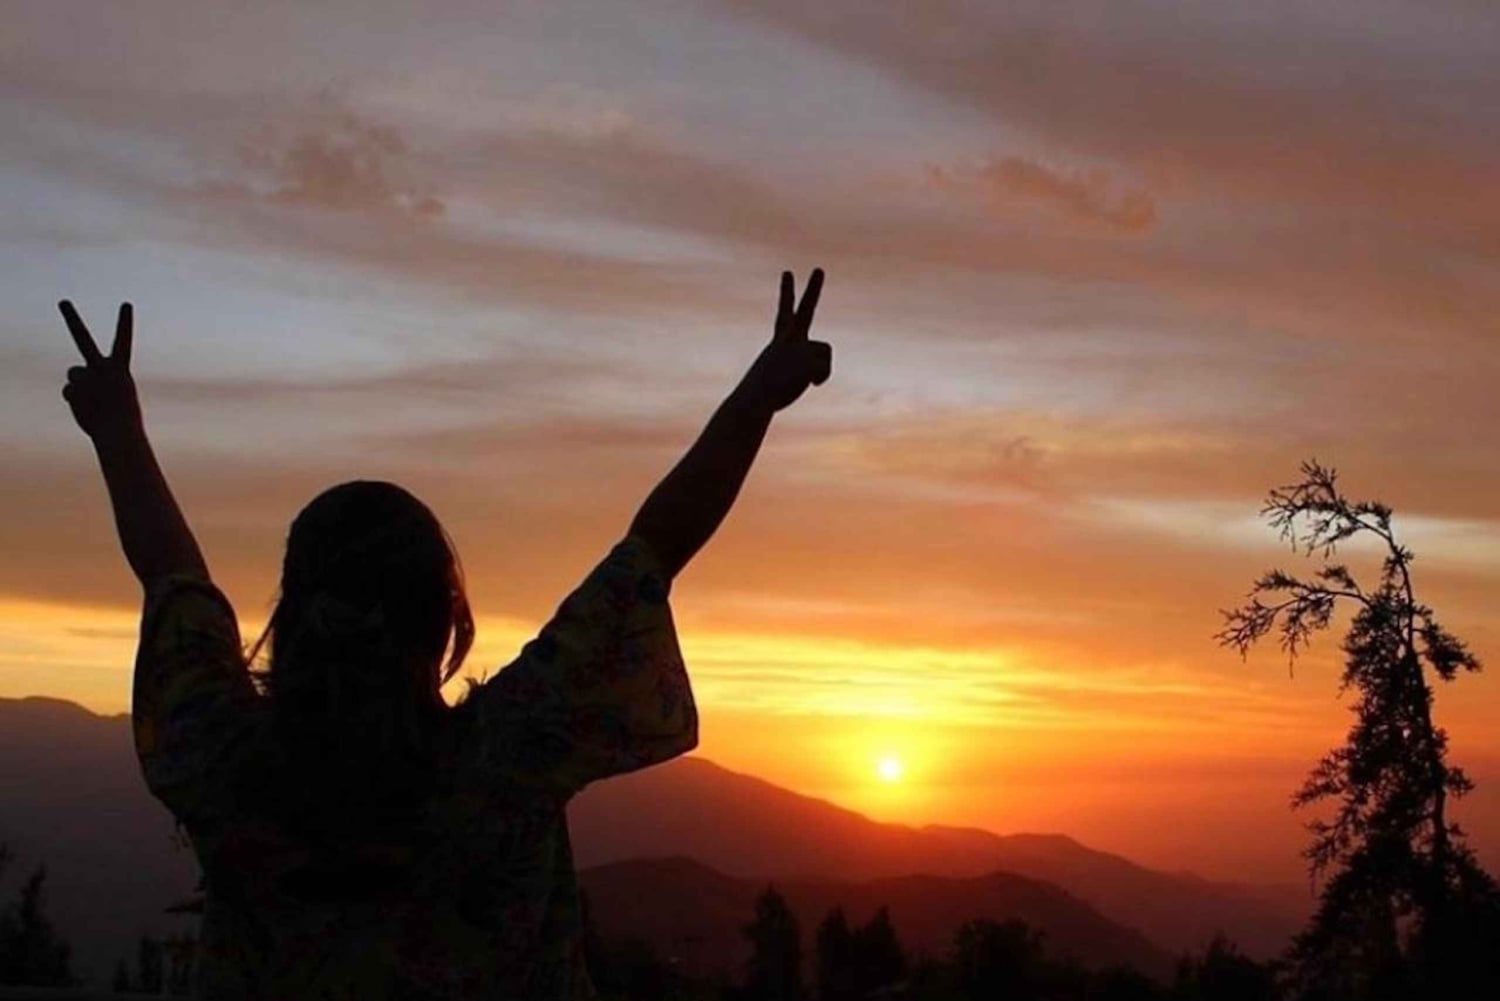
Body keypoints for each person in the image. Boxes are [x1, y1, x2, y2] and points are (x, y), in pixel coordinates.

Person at [57, 268, 830, 999]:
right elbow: (655, 548)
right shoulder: (513, 749)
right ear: (445, 620)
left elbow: (172, 579)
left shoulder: (220, 760)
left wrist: (117, 430)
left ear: (293, 617)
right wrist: (759, 394)